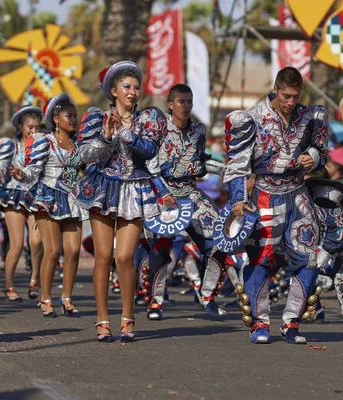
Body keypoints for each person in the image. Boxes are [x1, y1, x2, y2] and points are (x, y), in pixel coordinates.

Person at [224, 66, 329, 344]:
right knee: (262, 259)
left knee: (308, 259)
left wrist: (314, 158)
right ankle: (260, 323)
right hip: (264, 194)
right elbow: (236, 166)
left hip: (298, 194)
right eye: (286, 95)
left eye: (295, 96)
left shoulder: (311, 116)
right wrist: (237, 199)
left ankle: (291, 321)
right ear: (275, 88)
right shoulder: (252, 119)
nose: (290, 102)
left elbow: (322, 150)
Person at [75, 60, 167, 342]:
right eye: (127, 86)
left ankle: (128, 318)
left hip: (135, 189)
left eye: (137, 87)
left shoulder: (148, 119)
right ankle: (102, 320)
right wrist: (106, 136)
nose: (133, 92)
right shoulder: (95, 118)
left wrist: (126, 134)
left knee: (124, 257)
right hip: (103, 187)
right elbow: (85, 156)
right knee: (103, 257)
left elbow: (150, 150)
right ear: (114, 90)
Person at [143, 83, 226, 320]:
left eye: (189, 101)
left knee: (221, 241)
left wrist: (227, 170)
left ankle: (207, 295)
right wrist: (161, 191)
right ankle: (155, 302)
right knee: (160, 249)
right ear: (170, 105)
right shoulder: (159, 129)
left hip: (190, 193)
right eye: (182, 101)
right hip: (163, 196)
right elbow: (150, 165)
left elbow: (202, 162)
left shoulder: (199, 131)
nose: (186, 106)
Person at [12, 94, 87, 317]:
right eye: (68, 115)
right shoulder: (45, 141)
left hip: (73, 198)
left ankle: (66, 297)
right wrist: (21, 174)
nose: (73, 119)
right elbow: (34, 169)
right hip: (49, 198)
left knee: (73, 251)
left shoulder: (80, 143)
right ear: (55, 118)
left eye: (75, 115)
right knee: (52, 251)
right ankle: (45, 298)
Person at [0, 105, 44, 301]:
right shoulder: (10, 146)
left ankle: (34, 279)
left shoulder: (44, 145)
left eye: (37, 127)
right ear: (20, 127)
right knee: (15, 245)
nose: (34, 131)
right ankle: (9, 285)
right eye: (30, 127)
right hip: (14, 196)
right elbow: (0, 165)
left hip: (36, 196)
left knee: (36, 241)